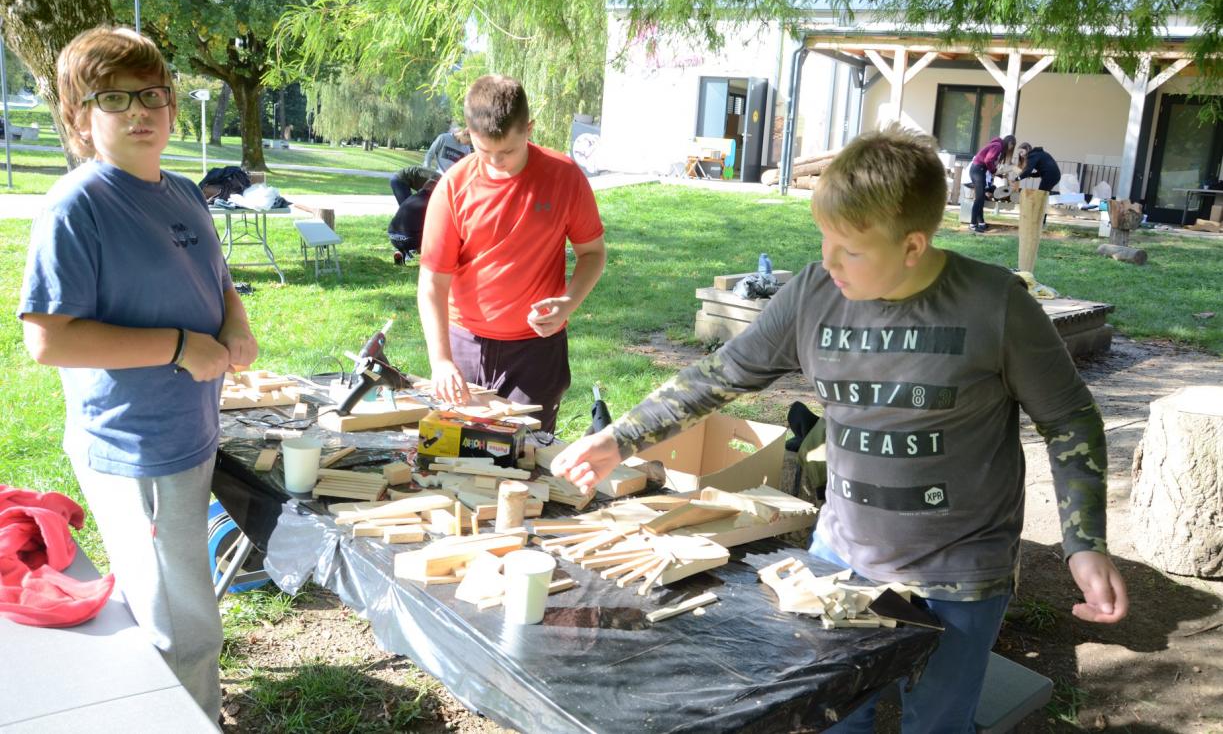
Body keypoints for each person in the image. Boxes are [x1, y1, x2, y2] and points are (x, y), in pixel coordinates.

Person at [552, 125, 1127, 733]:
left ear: (912, 246)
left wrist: (1084, 542)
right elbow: (719, 375)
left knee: (936, 723)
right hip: (843, 556)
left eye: (850, 249)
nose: (828, 261)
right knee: (831, 717)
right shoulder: (812, 296)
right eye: (824, 238)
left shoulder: (996, 306)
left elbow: (1070, 419)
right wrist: (620, 438)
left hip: (961, 572)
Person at [17, 26, 258, 723]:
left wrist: (233, 325)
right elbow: (49, 341)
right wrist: (183, 347)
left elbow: (221, 285)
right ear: (78, 118)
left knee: (172, 599)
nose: (139, 111)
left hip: (188, 436)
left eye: (152, 94)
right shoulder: (76, 208)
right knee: (183, 629)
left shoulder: (182, 193)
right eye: (114, 98)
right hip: (136, 449)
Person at [418, 75, 606, 432]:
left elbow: (593, 253)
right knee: (456, 455)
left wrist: (568, 302)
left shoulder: (564, 177)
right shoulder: (454, 186)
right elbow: (432, 283)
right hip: (465, 344)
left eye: (507, 151)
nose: (495, 162)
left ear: (529, 130)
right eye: (483, 151)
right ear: (468, 134)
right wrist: (441, 360)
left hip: (536, 351)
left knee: (526, 459)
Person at [388, 165, 441, 263]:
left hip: (392, 235)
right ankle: (419, 251)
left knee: (408, 214)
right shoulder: (440, 184)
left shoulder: (413, 199)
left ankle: (401, 251)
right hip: (399, 180)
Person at [967, 133, 1016, 233]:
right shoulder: (998, 146)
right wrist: (994, 171)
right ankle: (972, 225)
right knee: (979, 198)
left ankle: (981, 223)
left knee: (980, 198)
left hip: (979, 170)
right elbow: (988, 160)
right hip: (977, 171)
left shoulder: (997, 146)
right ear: (1009, 142)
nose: (1011, 148)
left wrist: (999, 174)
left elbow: (989, 162)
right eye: (1012, 145)